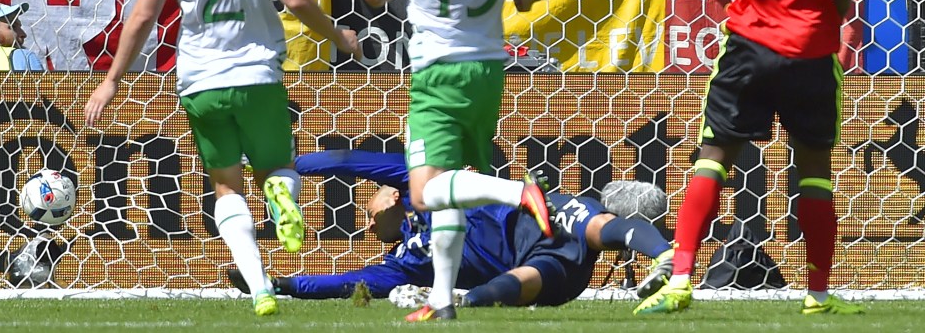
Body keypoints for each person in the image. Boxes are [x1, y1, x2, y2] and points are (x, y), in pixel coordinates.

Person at [83, 0, 361, 317]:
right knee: (277, 170)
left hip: (201, 81)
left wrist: (111, 80)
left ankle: (260, 290)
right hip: (257, 75)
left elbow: (144, 16)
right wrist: (339, 37)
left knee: (226, 187)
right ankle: (280, 195)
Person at [634, 0, 863, 316]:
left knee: (715, 157)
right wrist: (833, 8)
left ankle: (681, 280)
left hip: (747, 44)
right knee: (814, 169)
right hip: (810, 46)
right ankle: (818, 294)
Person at [361, 0, 564, 321]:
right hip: (489, 68)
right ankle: (441, 298)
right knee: (453, 180)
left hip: (437, 68)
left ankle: (521, 193)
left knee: (423, 191)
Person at [227, 150, 674, 307]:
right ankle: (459, 299)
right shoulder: (402, 264)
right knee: (498, 291)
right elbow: (351, 283)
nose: (366, 221)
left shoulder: (417, 184)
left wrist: (287, 168)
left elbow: (347, 163)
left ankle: (666, 258)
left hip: (535, 215)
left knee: (592, 223)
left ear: (390, 196)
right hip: (544, 267)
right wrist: (280, 284)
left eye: (368, 210)